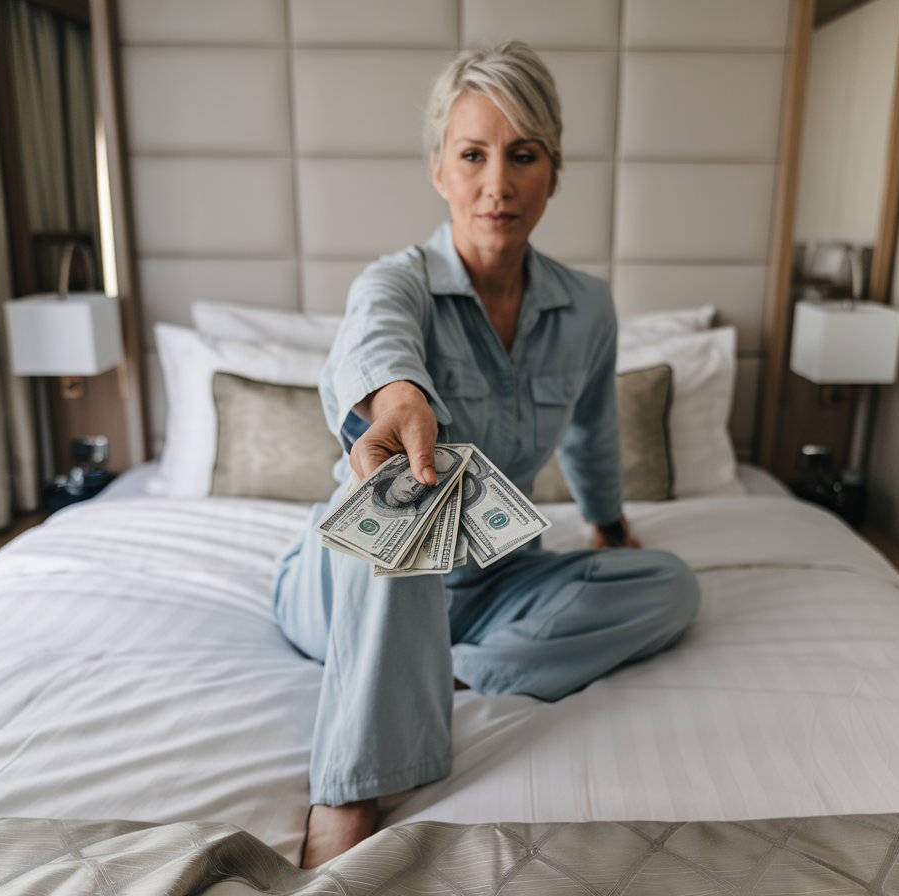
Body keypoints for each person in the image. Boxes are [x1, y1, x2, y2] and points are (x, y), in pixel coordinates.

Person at [273, 41, 700, 867]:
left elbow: (591, 432)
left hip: (491, 585)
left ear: (553, 171)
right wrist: (398, 399)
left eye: (522, 155)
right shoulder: (394, 282)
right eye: (473, 155)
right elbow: (373, 345)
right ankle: (351, 791)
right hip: (344, 586)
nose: (496, 184)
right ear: (439, 168)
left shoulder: (589, 309)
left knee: (670, 587)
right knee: (405, 496)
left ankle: (448, 667)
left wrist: (609, 524)